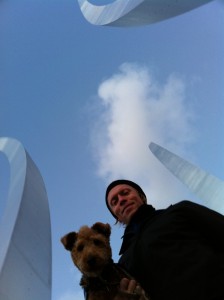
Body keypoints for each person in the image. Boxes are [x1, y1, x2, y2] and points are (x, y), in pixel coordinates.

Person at [105, 179, 224, 300]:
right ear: (117, 217)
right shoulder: (123, 264)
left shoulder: (180, 211)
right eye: (114, 202)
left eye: (125, 193)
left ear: (142, 197)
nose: (121, 200)